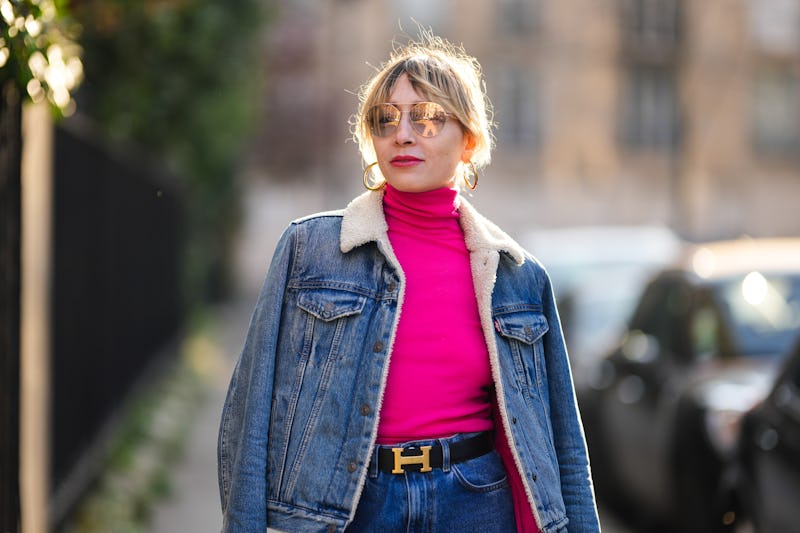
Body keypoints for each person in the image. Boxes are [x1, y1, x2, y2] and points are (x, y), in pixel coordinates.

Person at [217, 32, 600, 533]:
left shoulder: (518, 276)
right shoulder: (309, 250)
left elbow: (563, 446)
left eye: (426, 118)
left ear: (468, 140)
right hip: (353, 508)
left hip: (476, 503)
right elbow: (250, 416)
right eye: (386, 119)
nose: (402, 134)